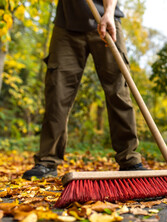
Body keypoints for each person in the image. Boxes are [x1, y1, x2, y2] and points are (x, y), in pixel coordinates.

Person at [22, 0, 147, 180]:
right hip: (67, 26)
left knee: (118, 90)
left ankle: (129, 160)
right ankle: (47, 161)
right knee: (57, 92)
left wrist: (109, 12)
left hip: (106, 19)